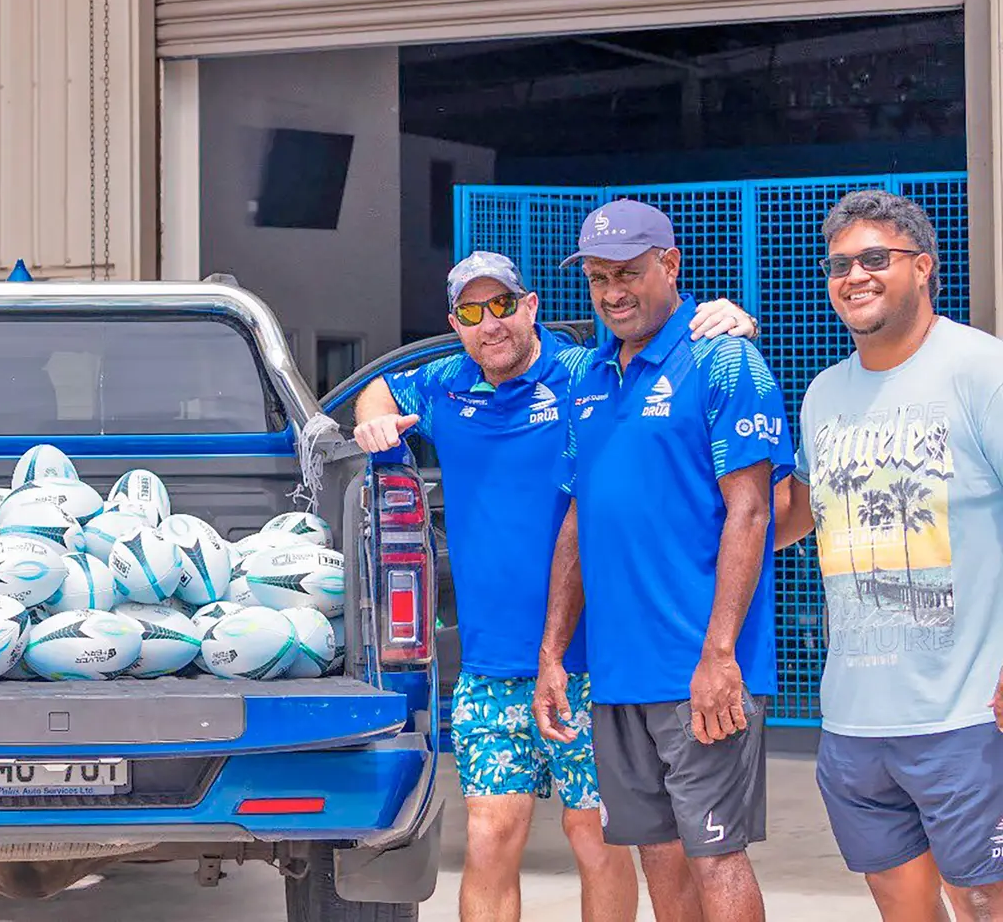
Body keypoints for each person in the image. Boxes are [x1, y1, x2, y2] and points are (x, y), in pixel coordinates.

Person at [353, 251, 756, 922]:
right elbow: (381, 391)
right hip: (490, 667)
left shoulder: (583, 376)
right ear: (456, 323)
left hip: (592, 663)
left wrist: (730, 321)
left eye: (503, 305)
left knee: (595, 837)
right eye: (473, 313)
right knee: (487, 836)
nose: (492, 324)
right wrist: (372, 416)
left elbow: (660, 360)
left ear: (531, 305)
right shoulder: (445, 385)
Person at [533, 199, 793, 922]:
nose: (613, 291)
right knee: (660, 858)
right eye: (598, 278)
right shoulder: (588, 375)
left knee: (716, 854)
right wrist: (554, 653)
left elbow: (752, 508)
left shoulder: (722, 355)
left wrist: (719, 656)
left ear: (670, 264)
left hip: (702, 669)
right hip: (620, 675)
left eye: (629, 273)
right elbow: (579, 519)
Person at [775, 191, 1003, 921]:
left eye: (877, 257)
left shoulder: (981, 370)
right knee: (903, 909)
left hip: (967, 712)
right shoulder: (824, 393)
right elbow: (791, 518)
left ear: (924, 267)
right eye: (840, 263)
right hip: (854, 720)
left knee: (983, 898)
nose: (855, 275)